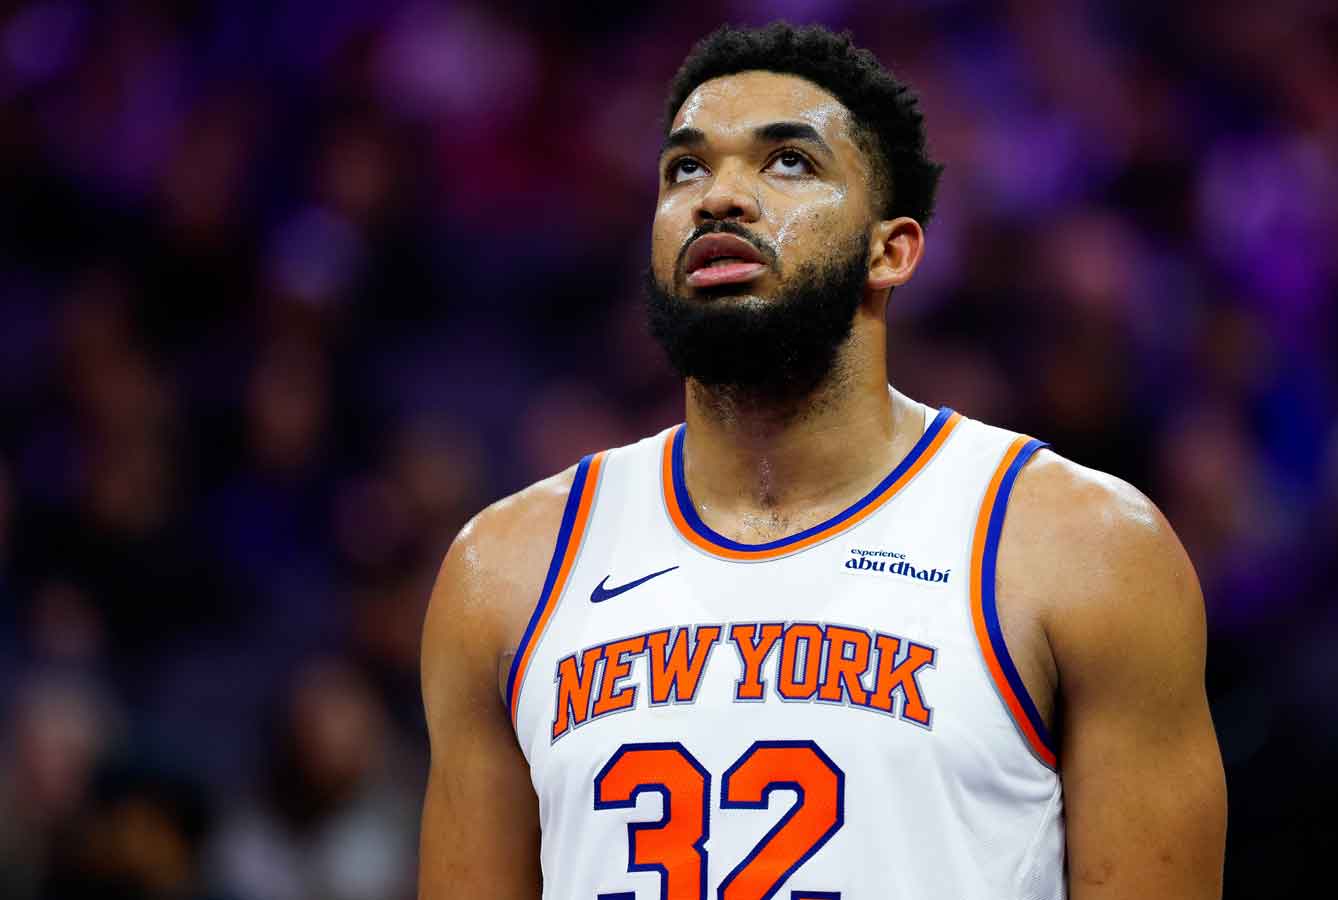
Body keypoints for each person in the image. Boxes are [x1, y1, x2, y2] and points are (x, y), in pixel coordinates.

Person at [418, 22, 1225, 900]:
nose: (717, 197)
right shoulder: (503, 571)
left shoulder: (1085, 551)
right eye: (685, 168)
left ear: (893, 249)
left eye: (788, 162)